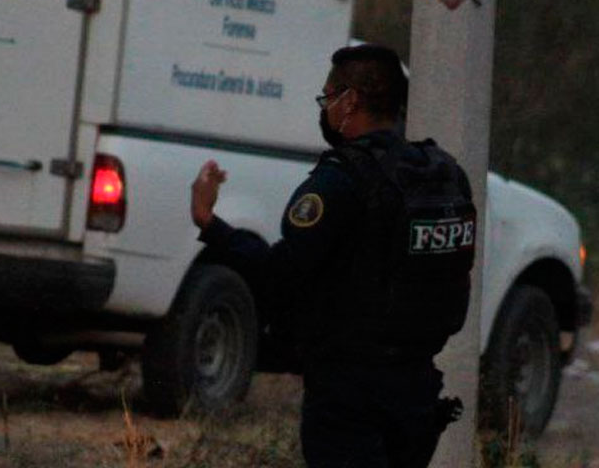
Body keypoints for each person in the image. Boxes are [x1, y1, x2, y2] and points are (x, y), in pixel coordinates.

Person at [190, 44, 475, 467]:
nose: (324, 109)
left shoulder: (342, 179)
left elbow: (280, 271)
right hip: (417, 390)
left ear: (350, 101)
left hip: (351, 393)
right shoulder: (442, 174)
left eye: (328, 98)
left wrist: (210, 223)